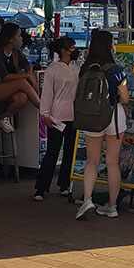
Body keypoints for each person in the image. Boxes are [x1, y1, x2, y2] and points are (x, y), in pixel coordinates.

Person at [74, 30, 129, 220]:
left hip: (91, 118)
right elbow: (125, 98)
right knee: (112, 163)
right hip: (114, 117)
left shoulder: (85, 68)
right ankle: (112, 206)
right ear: (109, 45)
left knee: (92, 162)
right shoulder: (115, 70)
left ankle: (87, 199)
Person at [35, 36, 79, 201]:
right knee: (53, 151)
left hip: (74, 114)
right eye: (72, 48)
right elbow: (47, 93)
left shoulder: (77, 66)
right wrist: (45, 114)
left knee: (70, 151)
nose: (75, 51)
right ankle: (41, 187)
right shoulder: (53, 69)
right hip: (57, 116)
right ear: (63, 50)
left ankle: (64, 184)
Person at [0, 22, 40, 133]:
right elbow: (5, 77)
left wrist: (29, 72)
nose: (21, 38)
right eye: (19, 35)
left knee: (22, 97)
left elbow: (27, 65)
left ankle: (4, 118)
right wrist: (27, 76)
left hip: (4, 89)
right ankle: (43, 110)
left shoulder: (15, 52)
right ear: (11, 39)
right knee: (22, 82)